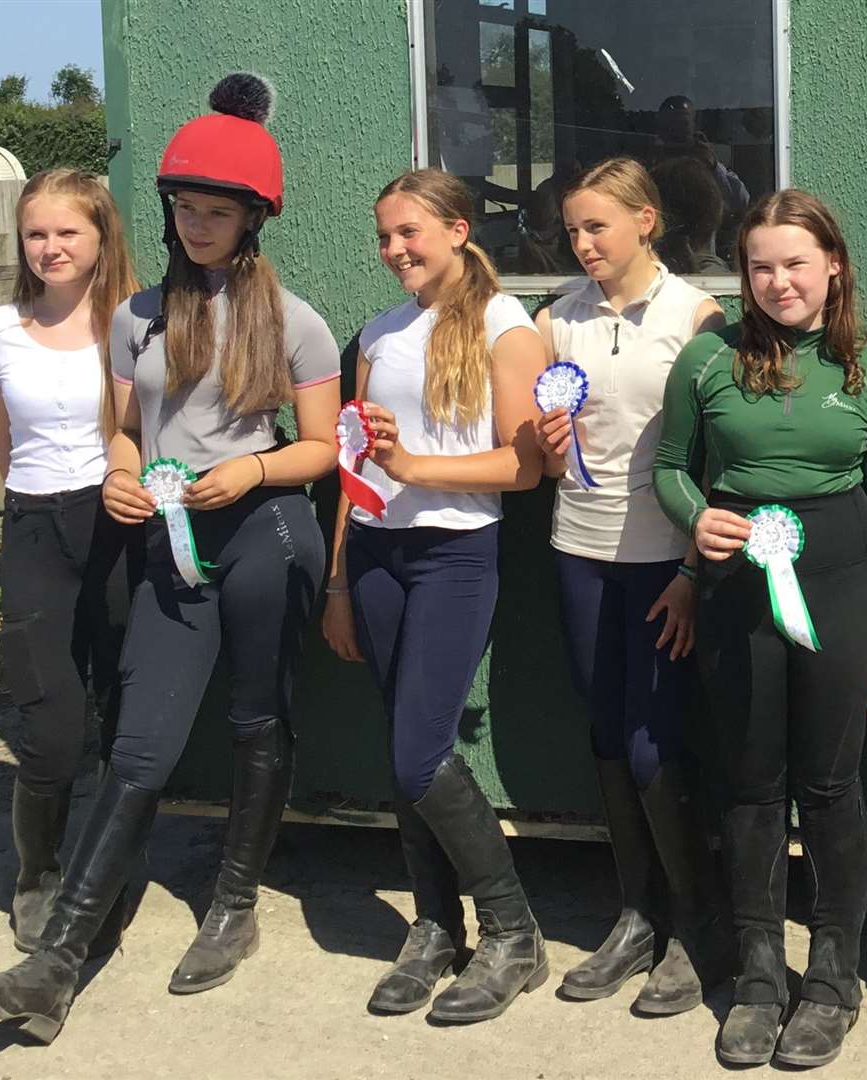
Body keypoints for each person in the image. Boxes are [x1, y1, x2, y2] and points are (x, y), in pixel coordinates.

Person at [0, 72, 342, 1043]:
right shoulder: (136, 317)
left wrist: (251, 472)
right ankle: (54, 966)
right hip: (169, 536)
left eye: (217, 210)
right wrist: (125, 472)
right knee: (137, 748)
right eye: (184, 207)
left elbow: (322, 447)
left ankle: (235, 906)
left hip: (264, 531)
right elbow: (126, 431)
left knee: (257, 718)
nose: (197, 224)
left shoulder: (295, 321)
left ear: (254, 217)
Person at [651, 189, 867, 1069]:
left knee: (831, 785)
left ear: (832, 264)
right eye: (760, 266)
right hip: (736, 589)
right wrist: (694, 522)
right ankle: (761, 979)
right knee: (751, 783)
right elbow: (669, 469)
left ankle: (833, 981)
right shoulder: (706, 361)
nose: (778, 282)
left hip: (842, 587)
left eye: (796, 263)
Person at [320, 168, 551, 1023]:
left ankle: (511, 930)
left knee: (421, 753)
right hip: (376, 556)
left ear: (458, 229)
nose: (393, 251)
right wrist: (340, 577)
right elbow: (354, 466)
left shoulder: (505, 325)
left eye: (409, 233)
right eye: (383, 237)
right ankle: (432, 925)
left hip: (456, 555)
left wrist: (415, 467)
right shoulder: (378, 335)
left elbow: (523, 466)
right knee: (401, 749)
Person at [529, 157, 728, 1015]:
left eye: (596, 227)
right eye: (571, 230)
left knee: (657, 744)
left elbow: (722, 457)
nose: (580, 244)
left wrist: (691, 570)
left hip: (664, 560)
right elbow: (540, 456)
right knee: (607, 737)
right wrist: (545, 445)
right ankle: (637, 916)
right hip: (578, 548)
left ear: (646, 221)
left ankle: (696, 928)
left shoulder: (698, 315)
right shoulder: (557, 320)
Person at [0, 167, 142, 954]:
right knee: (50, 725)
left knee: (119, 706)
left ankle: (106, 868)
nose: (50, 248)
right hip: (37, 524)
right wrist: (28, 510)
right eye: (36, 233)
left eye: (67, 232)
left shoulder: (132, 323)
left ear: (100, 237)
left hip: (114, 523)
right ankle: (37, 877)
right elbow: (4, 443)